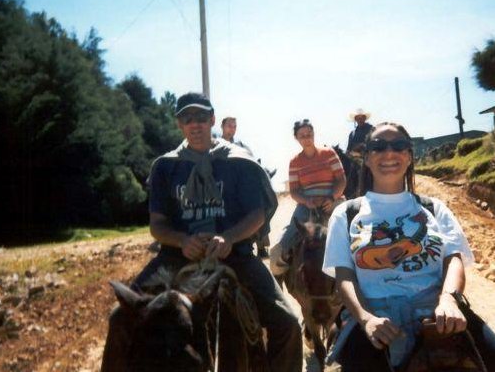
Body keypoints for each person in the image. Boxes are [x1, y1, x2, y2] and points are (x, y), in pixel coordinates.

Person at [100, 92, 302, 372]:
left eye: (200, 117)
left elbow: (256, 214)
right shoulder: (165, 166)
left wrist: (229, 237)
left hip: (235, 255)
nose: (194, 124)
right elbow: (157, 224)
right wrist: (182, 240)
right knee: (120, 318)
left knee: (288, 324)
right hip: (176, 258)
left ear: (212, 120)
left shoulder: (239, 162)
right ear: (179, 124)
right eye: (186, 118)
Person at [323, 122, 495, 371]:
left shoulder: (434, 208)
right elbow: (344, 276)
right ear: (367, 159)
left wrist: (449, 300)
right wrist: (366, 319)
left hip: (438, 312)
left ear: (409, 156)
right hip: (376, 315)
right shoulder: (347, 214)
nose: (389, 153)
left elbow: (453, 258)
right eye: (378, 147)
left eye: (399, 145)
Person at [270, 118, 347, 277]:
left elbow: (341, 180)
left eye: (309, 134)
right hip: (307, 207)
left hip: (333, 202)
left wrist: (332, 198)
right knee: (279, 250)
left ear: (313, 134)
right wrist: (306, 201)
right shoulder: (295, 162)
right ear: (296, 138)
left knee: (355, 238)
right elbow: (294, 191)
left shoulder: (328, 153)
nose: (307, 138)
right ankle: (283, 284)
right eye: (302, 135)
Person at [221, 116, 275, 258]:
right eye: (229, 126)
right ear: (222, 127)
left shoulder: (242, 147)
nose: (232, 129)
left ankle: (261, 245)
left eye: (234, 126)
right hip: (220, 189)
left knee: (259, 208)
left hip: (240, 188)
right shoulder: (214, 145)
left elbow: (252, 165)